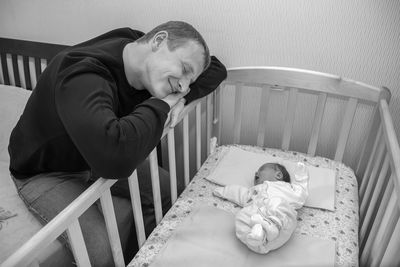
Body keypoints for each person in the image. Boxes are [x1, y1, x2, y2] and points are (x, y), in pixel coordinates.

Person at [8, 21, 227, 266]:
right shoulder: (81, 73)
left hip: (91, 152)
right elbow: (114, 160)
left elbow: (217, 69)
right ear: (158, 41)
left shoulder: (134, 43)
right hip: (47, 170)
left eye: (190, 79)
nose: (184, 85)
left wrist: (182, 98)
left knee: (165, 189)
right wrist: (163, 104)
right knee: (100, 250)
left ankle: (142, 257)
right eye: (184, 69)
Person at [213, 162, 309, 254]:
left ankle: (272, 226)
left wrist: (301, 177)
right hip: (261, 242)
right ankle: (256, 237)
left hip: (282, 225)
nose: (255, 174)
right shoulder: (253, 191)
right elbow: (238, 193)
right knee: (241, 216)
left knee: (277, 203)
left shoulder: (287, 188)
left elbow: (301, 192)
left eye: (261, 170)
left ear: (278, 175)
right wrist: (223, 191)